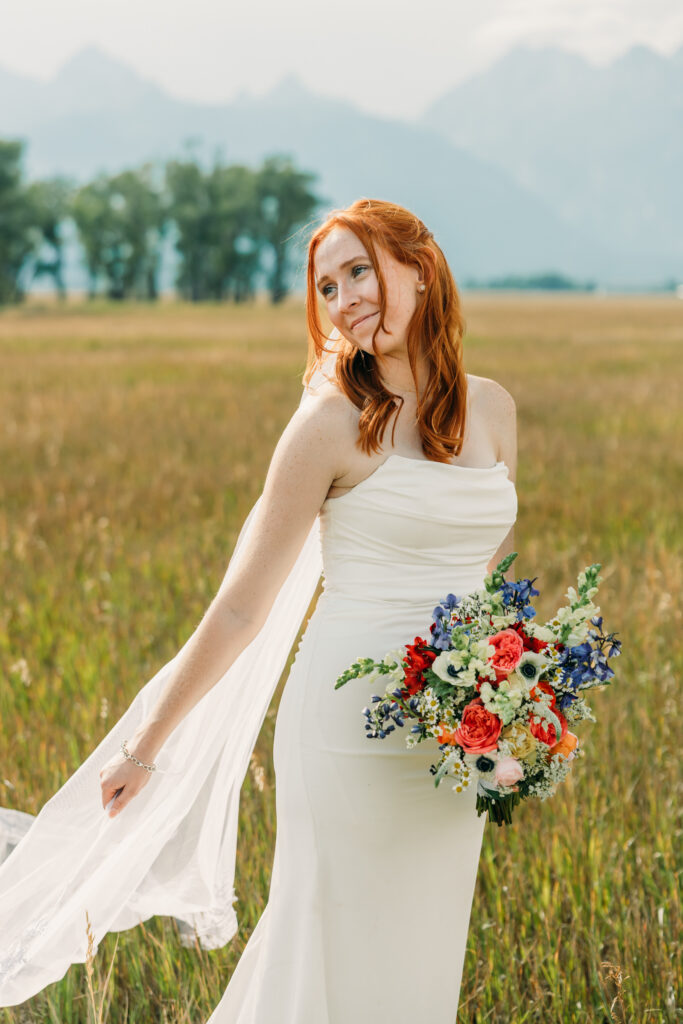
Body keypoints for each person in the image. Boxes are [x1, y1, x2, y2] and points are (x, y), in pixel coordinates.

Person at [0, 197, 517, 1021]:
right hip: (348, 729)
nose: (344, 298)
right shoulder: (328, 424)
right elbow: (241, 608)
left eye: (359, 270)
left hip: (453, 738)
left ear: (419, 269)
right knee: (327, 941)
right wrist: (146, 745)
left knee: (421, 946)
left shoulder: (489, 410)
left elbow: (484, 586)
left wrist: (514, 703)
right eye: (325, 286)